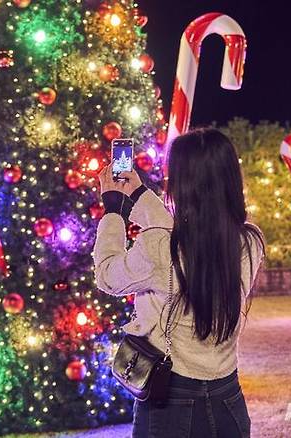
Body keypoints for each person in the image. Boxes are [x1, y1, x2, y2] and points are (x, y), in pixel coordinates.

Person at [93, 128, 265, 438]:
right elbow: (184, 238)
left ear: (184, 185)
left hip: (170, 404)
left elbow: (107, 274)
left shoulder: (160, 247)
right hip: (228, 399)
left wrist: (113, 213)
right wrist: (139, 194)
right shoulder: (249, 241)